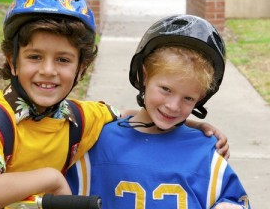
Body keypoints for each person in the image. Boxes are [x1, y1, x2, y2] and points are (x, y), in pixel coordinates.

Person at [0, 0, 228, 209]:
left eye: (63, 60)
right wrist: (52, 179)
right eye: (34, 57)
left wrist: (194, 125)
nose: (48, 70)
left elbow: (131, 115)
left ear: (82, 68)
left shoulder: (77, 117)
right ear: (12, 60)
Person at [67, 15, 250, 209]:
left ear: (201, 97)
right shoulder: (98, 140)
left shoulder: (205, 151)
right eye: (165, 89)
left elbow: (234, 199)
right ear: (144, 76)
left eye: (188, 98)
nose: (173, 106)